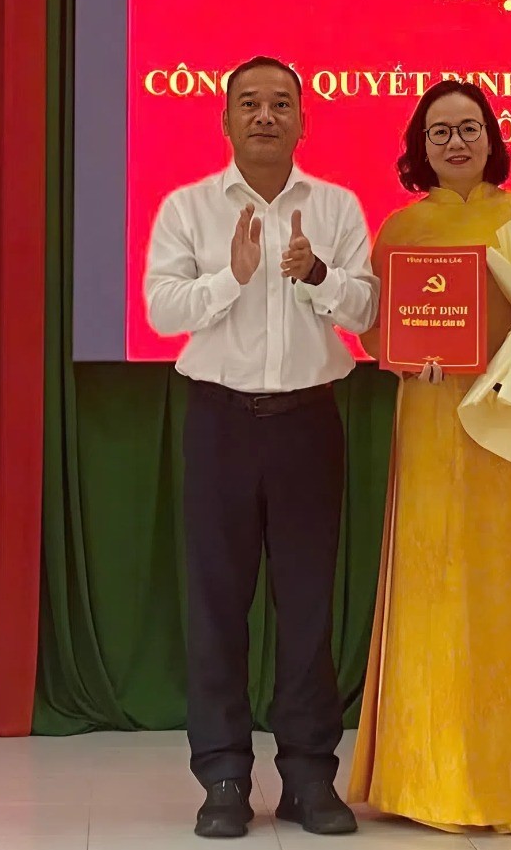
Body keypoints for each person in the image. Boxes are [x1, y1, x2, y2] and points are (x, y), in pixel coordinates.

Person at [347, 80, 511, 838]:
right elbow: (375, 330)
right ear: (420, 146)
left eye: (469, 127)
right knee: (431, 589)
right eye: (439, 131)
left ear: (492, 138)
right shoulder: (401, 228)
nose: (456, 142)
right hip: (432, 423)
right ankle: (422, 779)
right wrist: (405, 353)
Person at [145, 55, 379, 839]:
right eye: (250, 103)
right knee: (217, 604)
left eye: (281, 103)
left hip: (309, 422)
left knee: (308, 606)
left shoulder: (337, 206)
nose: (266, 116)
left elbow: (367, 308)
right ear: (226, 120)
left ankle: (309, 776)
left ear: (304, 121)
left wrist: (316, 273)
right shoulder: (187, 208)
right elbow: (160, 309)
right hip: (219, 422)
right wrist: (232, 277)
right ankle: (223, 775)